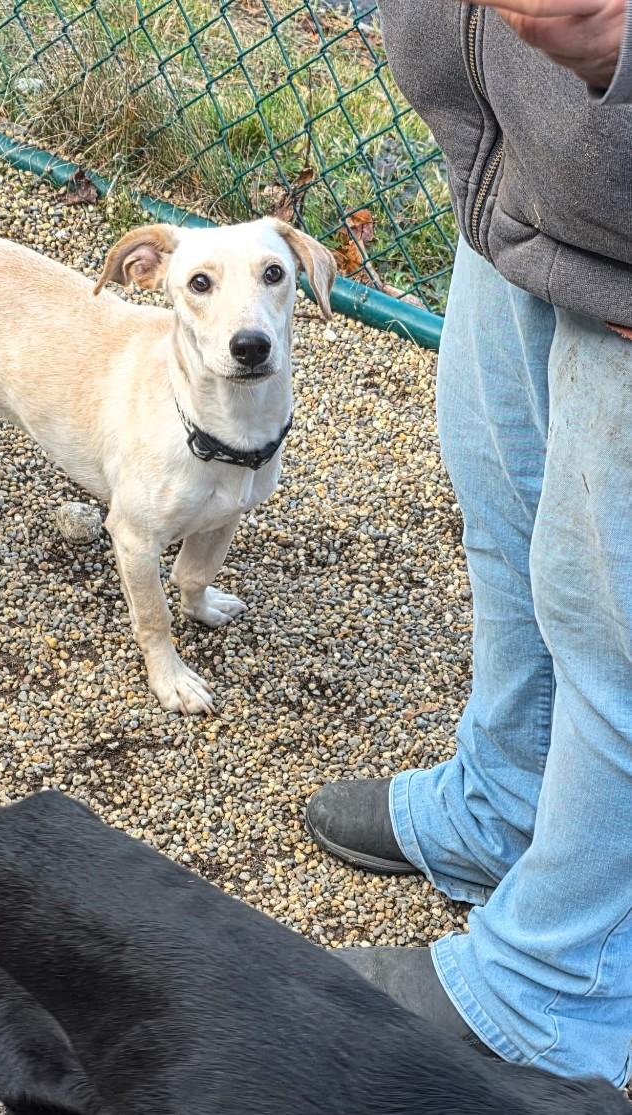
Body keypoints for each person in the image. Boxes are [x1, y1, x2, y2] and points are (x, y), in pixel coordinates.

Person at [304, 0, 632, 1090]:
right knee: (505, 516)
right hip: (516, 171)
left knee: (614, 629)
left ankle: (558, 988)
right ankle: (508, 801)